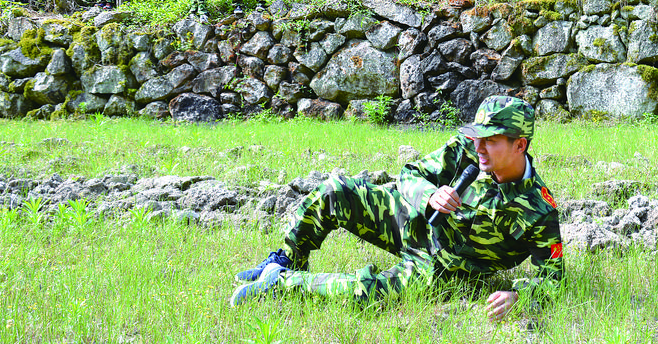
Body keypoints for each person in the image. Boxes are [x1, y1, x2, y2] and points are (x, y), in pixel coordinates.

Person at [229, 96, 563, 320]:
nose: (478, 147)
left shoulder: (538, 209)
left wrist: (517, 297)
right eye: (477, 137)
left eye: (489, 140)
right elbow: (411, 175)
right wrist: (430, 195)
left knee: (368, 293)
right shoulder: (467, 149)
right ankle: (286, 258)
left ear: (520, 145)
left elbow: (554, 281)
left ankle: (279, 283)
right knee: (334, 191)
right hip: (413, 221)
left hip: (442, 268)